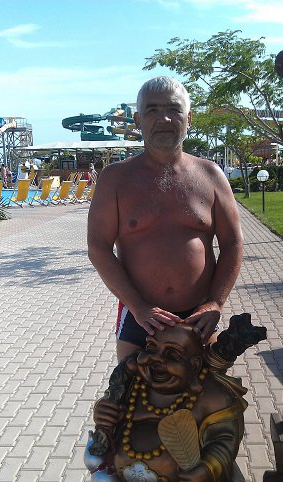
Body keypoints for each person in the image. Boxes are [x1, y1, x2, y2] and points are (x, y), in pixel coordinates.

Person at [87, 76, 244, 364]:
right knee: (131, 393)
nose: (164, 118)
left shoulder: (211, 175)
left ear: (189, 118)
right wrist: (138, 306)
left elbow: (233, 243)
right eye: (152, 110)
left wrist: (215, 302)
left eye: (174, 109)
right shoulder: (115, 179)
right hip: (140, 317)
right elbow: (98, 247)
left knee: (210, 392)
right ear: (138, 120)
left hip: (200, 317)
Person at [92, 322, 248, 482]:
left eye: (172, 354)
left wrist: (207, 468)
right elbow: (110, 412)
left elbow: (225, 437)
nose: (156, 359)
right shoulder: (134, 383)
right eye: (151, 348)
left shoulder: (211, 394)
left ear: (194, 364)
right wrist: (103, 412)